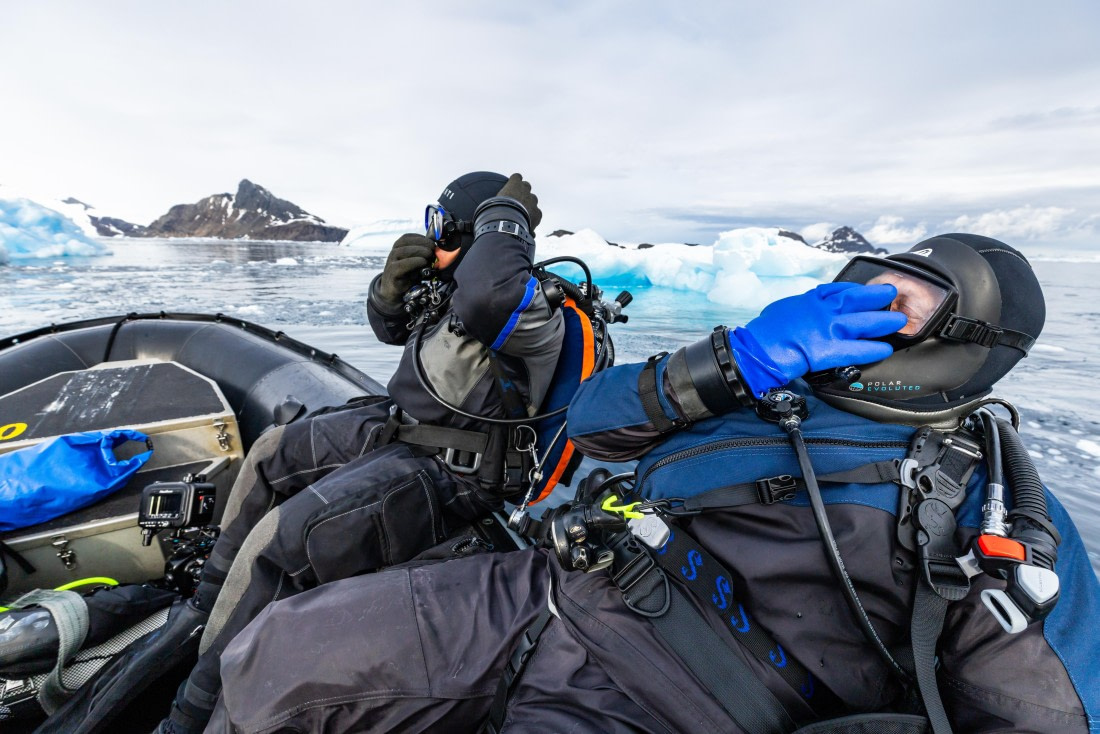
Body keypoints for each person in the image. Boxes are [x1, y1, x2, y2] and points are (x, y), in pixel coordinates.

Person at [204, 233, 1100, 734]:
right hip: (557, 586)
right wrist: (735, 360)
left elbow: (1040, 711)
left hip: (684, 692)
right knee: (272, 656)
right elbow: (591, 422)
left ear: (967, 342)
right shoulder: (762, 383)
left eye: (905, 300)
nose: (867, 300)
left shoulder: (991, 501)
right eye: (867, 280)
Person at [133, 171, 564, 734]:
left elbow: (491, 295)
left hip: (453, 472)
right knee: (271, 452)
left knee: (286, 540)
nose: (432, 240)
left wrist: (506, 221)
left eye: (444, 230)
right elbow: (393, 329)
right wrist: (387, 292)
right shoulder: (452, 290)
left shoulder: (529, 311)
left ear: (481, 237)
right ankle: (205, 610)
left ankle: (192, 711)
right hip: (400, 427)